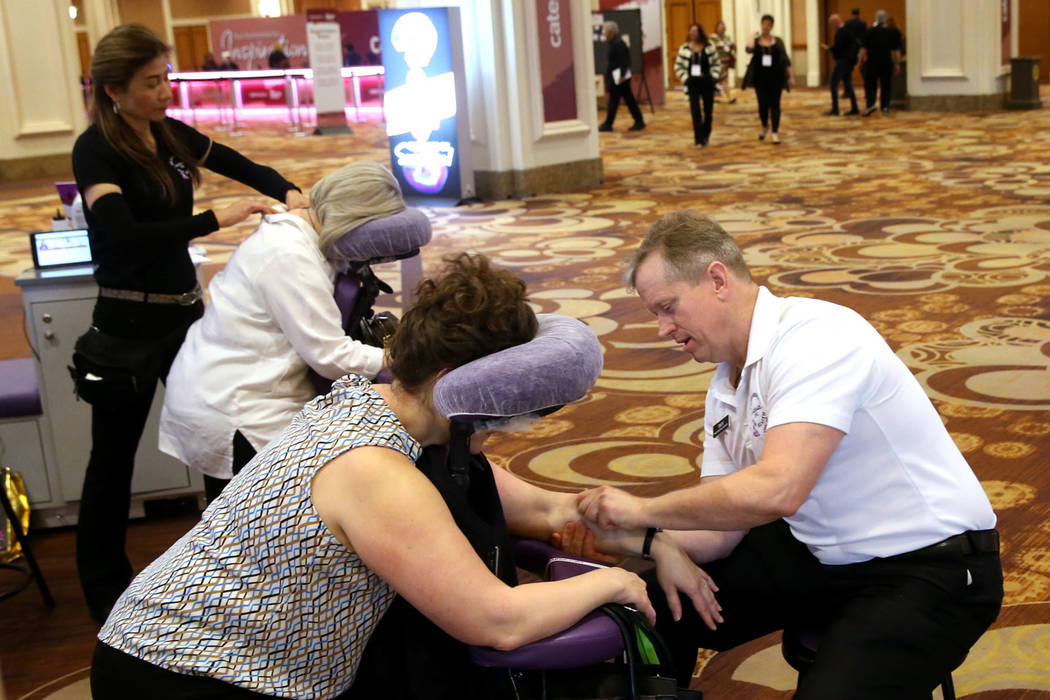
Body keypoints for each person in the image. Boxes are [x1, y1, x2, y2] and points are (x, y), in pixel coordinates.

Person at [89, 253, 687, 699]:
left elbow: (551, 510)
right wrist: (613, 586)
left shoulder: (382, 408)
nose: (514, 417)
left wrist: (659, 545)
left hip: (213, 658)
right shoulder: (375, 467)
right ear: (459, 382)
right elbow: (495, 620)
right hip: (186, 673)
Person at [575, 211, 1004, 698]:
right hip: (821, 552)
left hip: (929, 565)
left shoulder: (816, 337)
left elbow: (778, 489)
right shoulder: (726, 384)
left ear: (717, 279)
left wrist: (643, 510)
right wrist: (657, 544)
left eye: (668, 307)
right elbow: (722, 524)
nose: (661, 329)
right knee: (648, 609)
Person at [70, 23, 308, 625]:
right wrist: (212, 218)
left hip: (183, 320)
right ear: (115, 90)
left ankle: (228, 562)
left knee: (219, 438)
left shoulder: (167, 133)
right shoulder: (96, 149)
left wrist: (289, 189)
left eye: (166, 77)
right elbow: (120, 235)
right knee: (112, 463)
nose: (165, 90)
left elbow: (232, 160)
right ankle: (104, 588)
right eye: (152, 82)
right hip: (125, 330)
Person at [159, 161, 402, 503]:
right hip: (237, 403)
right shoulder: (289, 255)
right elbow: (331, 356)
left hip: (245, 382)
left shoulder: (305, 234)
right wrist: (400, 358)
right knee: (251, 530)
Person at [743, 14, 793, 144]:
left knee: (775, 105)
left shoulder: (778, 41)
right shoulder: (756, 41)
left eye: (768, 24)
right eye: (764, 23)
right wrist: (752, 36)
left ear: (771, 26)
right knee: (763, 105)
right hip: (760, 79)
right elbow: (748, 49)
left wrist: (791, 76)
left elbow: (785, 59)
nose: (766, 26)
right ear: (761, 24)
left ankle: (775, 132)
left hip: (776, 78)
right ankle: (765, 126)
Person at [674, 23, 722, 149]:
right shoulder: (684, 48)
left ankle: (706, 134)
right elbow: (678, 66)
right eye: (691, 31)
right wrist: (685, 78)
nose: (693, 34)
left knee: (708, 112)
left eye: (695, 31)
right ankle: (698, 139)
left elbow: (717, 64)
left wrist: (713, 77)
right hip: (692, 83)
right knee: (695, 111)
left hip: (707, 82)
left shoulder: (709, 47)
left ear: (700, 33)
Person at [598, 21, 645, 132]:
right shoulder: (614, 42)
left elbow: (625, 61)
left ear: (611, 32)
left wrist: (622, 76)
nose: (604, 33)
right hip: (618, 75)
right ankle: (639, 120)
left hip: (619, 75)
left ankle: (608, 124)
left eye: (606, 31)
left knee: (614, 100)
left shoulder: (618, 44)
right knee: (628, 99)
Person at [859, 10, 902, 116]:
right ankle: (885, 107)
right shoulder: (891, 32)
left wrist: (859, 60)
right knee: (886, 85)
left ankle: (870, 105)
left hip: (872, 62)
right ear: (886, 19)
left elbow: (863, 48)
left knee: (870, 84)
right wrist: (897, 63)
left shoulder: (870, 31)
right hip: (886, 62)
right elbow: (895, 50)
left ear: (876, 18)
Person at [822, 14, 859, 115]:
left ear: (835, 22)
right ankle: (855, 107)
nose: (831, 27)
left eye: (831, 24)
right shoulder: (848, 31)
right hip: (848, 61)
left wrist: (828, 48)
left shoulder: (842, 32)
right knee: (848, 84)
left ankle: (835, 109)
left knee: (833, 83)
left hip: (843, 61)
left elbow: (839, 47)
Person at [710, 20, 736, 104]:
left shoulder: (727, 37)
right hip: (715, 62)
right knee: (715, 80)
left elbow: (732, 46)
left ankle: (729, 97)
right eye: (720, 27)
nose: (722, 29)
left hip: (725, 62)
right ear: (716, 28)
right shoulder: (713, 37)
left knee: (724, 80)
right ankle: (714, 97)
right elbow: (714, 46)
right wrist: (725, 45)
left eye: (723, 27)